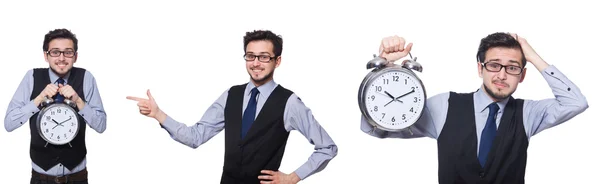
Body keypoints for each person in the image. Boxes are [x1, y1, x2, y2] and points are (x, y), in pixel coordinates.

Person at [360, 32, 588, 183]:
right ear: (480, 68)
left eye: (512, 68)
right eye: (494, 65)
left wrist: (532, 56)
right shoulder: (444, 106)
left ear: (522, 75)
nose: (501, 75)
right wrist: (386, 69)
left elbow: (575, 103)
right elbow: (377, 128)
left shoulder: (528, 113)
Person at [127, 30, 338, 184]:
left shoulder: (289, 102)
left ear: (277, 61)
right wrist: (158, 114)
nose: (256, 63)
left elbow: (327, 147)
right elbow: (195, 136)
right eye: (250, 56)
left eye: (264, 57)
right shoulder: (231, 95)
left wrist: (293, 177)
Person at [4, 28, 107, 184]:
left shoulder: (86, 78)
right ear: (46, 55)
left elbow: (101, 126)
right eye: (55, 52)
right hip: (41, 177)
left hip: (77, 177)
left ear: (75, 56)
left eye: (68, 52)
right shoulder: (31, 77)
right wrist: (38, 99)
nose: (61, 58)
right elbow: (9, 124)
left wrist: (79, 101)